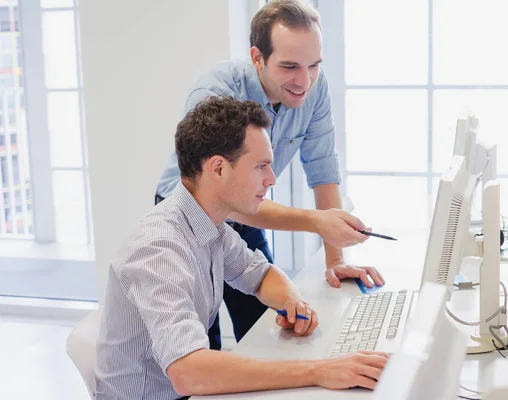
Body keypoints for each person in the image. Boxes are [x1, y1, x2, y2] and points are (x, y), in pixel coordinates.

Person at [95, 97, 389, 399]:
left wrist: (292, 302)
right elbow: (189, 372)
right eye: (261, 166)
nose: (271, 180)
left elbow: (259, 274)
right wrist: (318, 370)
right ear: (219, 168)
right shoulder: (159, 248)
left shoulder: (212, 226)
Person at [156, 0, 385, 351]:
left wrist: (335, 259)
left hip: (244, 210)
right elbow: (216, 198)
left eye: (314, 66)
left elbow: (322, 165)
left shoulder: (312, 86)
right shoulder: (215, 95)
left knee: (268, 331)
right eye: (290, 66)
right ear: (257, 57)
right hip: (192, 217)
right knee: (200, 344)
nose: (304, 80)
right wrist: (317, 221)